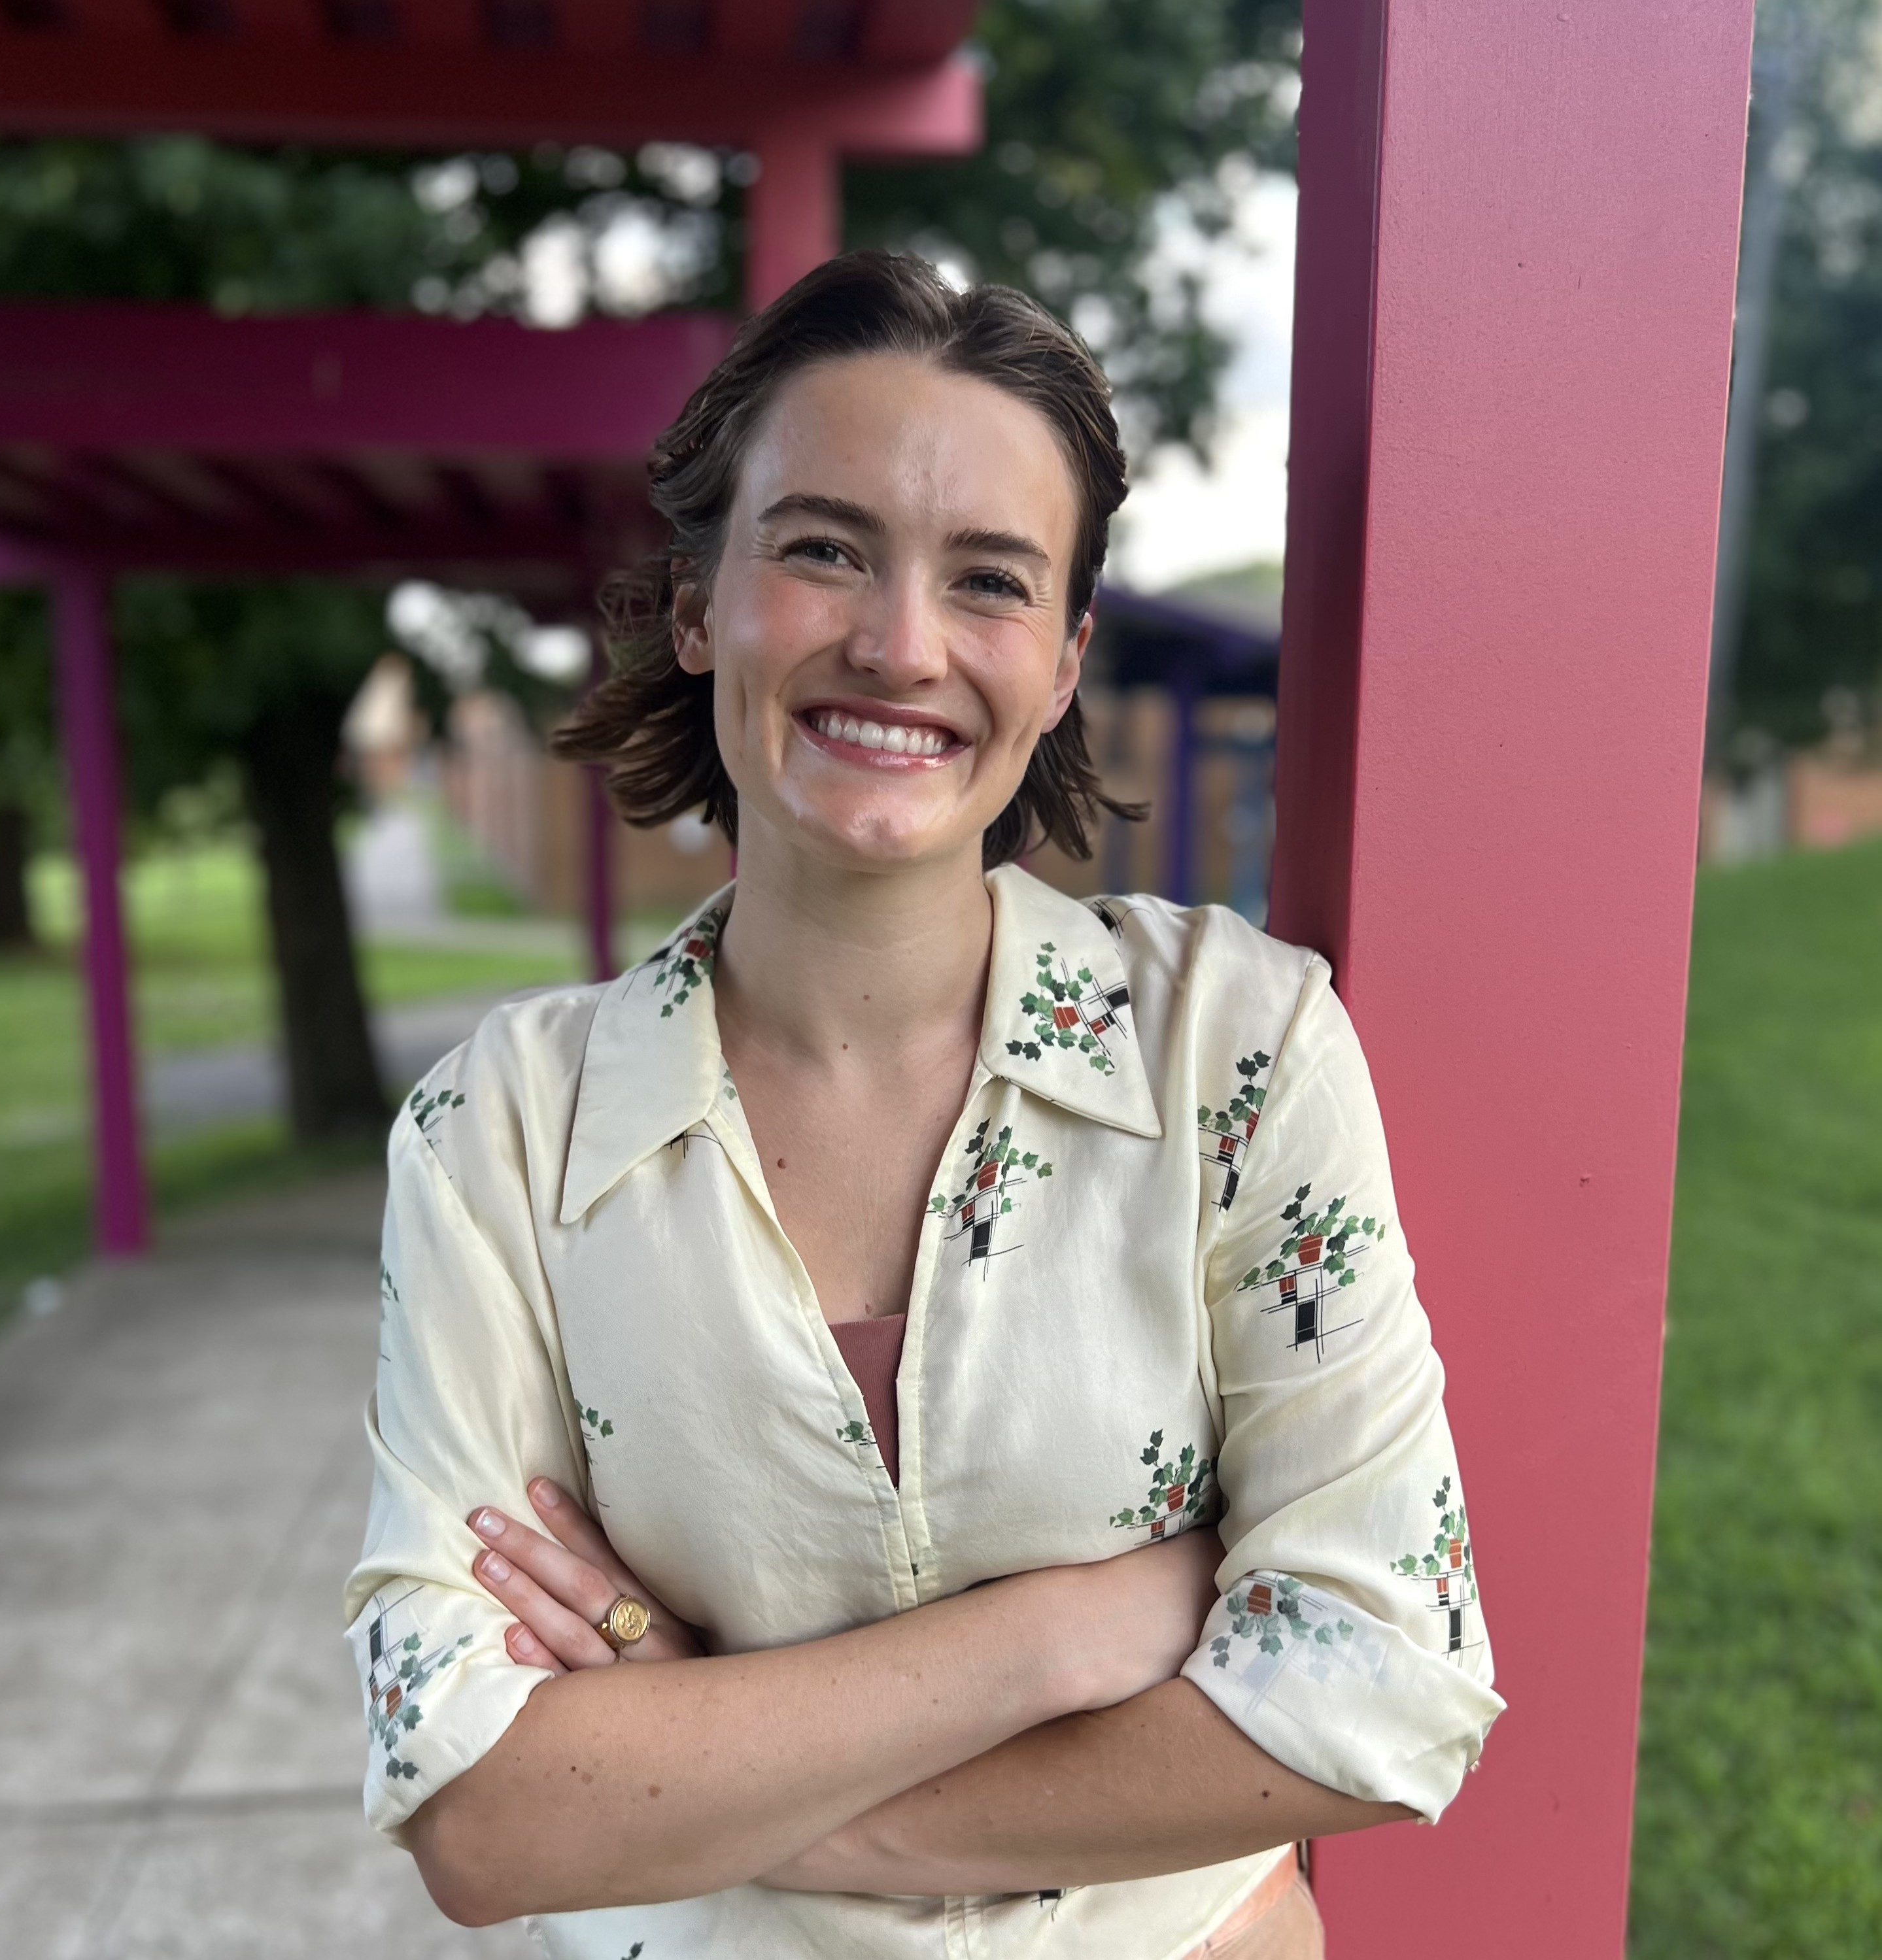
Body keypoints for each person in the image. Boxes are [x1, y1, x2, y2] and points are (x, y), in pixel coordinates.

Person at [343, 251, 1502, 1960]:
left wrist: (707, 1764)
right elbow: (477, 1811)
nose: (898, 646)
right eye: (822, 549)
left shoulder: (1239, 1053)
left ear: (1058, 665)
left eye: (989, 581)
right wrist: (1056, 1639)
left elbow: (1388, 1681)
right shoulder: (494, 1136)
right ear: (696, 604)